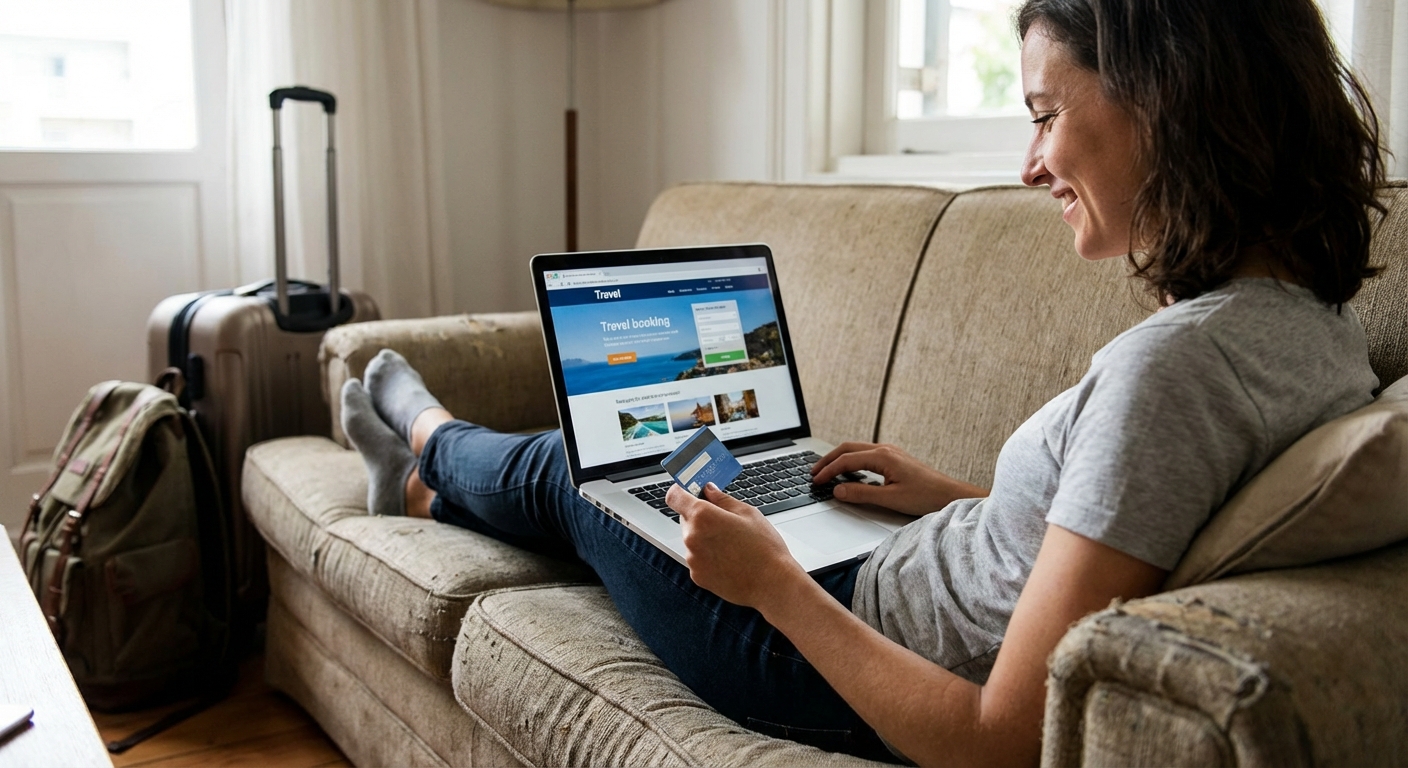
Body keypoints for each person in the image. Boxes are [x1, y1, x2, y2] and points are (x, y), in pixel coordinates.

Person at [339, 0, 1384, 764]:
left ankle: (425, 435)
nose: (1029, 165)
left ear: (1165, 103)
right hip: (888, 563)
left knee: (586, 472)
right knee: (680, 468)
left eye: (1044, 112)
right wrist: (956, 498)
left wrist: (774, 588)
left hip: (828, 649)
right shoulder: (1315, 334)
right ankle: (430, 485)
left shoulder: (1176, 369)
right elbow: (1135, 531)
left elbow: (1000, 740)